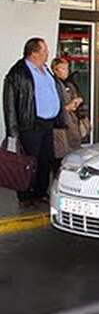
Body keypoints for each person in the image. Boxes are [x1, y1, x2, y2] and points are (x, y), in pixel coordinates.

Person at [2, 38, 65, 207]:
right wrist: (12, 130)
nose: (47, 55)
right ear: (34, 53)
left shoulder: (45, 69)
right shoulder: (18, 72)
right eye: (44, 52)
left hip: (48, 123)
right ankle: (25, 196)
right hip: (30, 124)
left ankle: (40, 192)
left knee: (46, 159)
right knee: (28, 162)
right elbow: (9, 103)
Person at [51, 58, 83, 171]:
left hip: (71, 122)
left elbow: (75, 96)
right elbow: (51, 106)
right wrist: (66, 108)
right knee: (60, 153)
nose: (66, 71)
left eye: (67, 68)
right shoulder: (53, 84)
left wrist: (77, 101)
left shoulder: (69, 83)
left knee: (73, 151)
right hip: (60, 125)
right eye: (63, 68)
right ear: (55, 70)